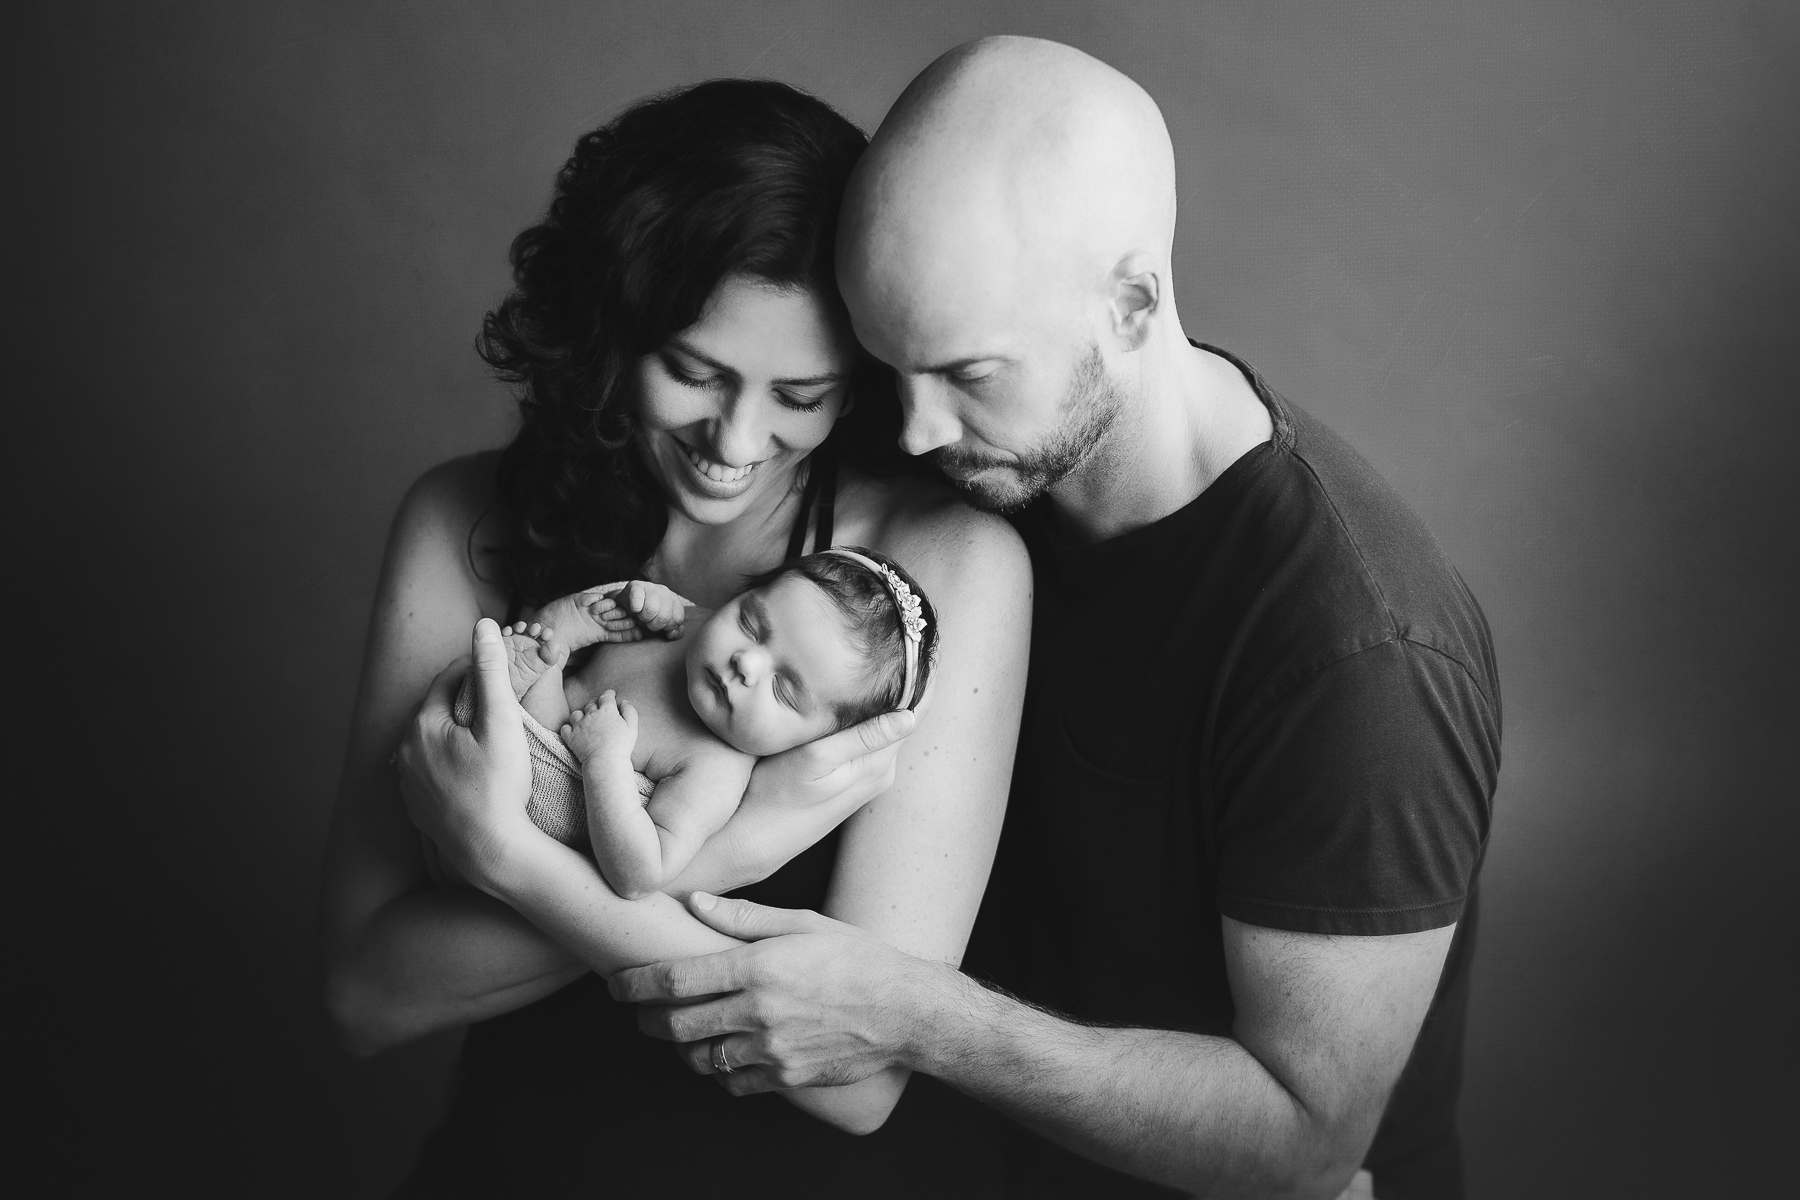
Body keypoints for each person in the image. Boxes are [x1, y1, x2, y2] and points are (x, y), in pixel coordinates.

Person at [608, 38, 1500, 1200]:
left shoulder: (1358, 654)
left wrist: (923, 1019)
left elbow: (1301, 1139)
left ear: (1132, 305)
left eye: (969, 373)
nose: (915, 429)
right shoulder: (986, 473)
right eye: (888, 365)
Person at [319, 78, 1031, 1194]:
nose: (737, 441)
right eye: (694, 374)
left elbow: (856, 1078)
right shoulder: (465, 523)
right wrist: (730, 857)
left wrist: (510, 863)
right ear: (611, 327)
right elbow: (370, 992)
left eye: (802, 395)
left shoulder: (939, 572)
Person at [437, 550, 939, 900]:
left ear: (810, 743)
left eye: (784, 690)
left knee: (521, 716)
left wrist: (605, 762)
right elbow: (635, 616)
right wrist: (636, 604)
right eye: (750, 623)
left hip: (544, 797)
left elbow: (641, 872)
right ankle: (543, 655)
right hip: (515, 731)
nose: (747, 663)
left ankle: (529, 676)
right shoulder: (694, 625)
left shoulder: (717, 770)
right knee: (546, 646)